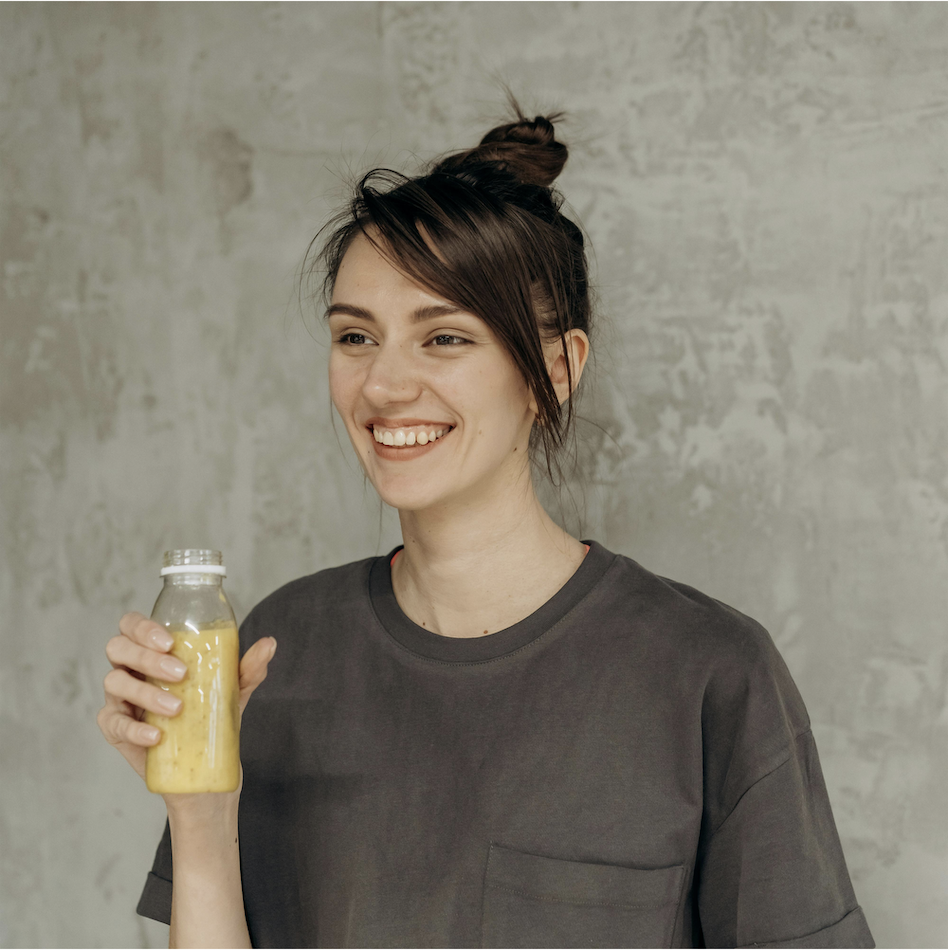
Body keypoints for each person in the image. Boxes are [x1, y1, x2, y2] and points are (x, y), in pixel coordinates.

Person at [98, 106, 875, 948]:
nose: (385, 385)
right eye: (357, 335)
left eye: (443, 338)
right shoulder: (280, 651)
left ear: (555, 370)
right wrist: (203, 821)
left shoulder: (709, 675)